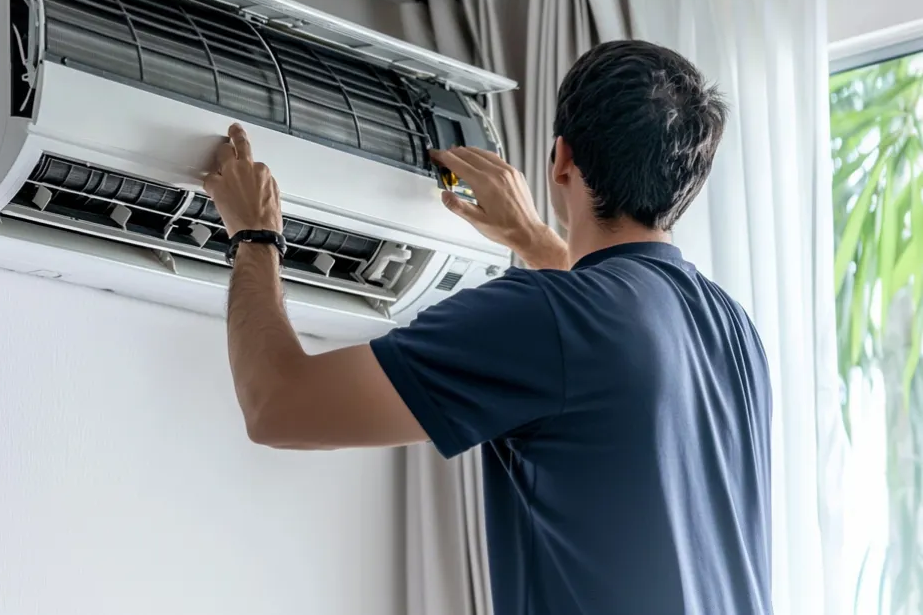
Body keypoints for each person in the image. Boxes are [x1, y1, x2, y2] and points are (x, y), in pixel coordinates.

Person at [202, 40, 771, 615]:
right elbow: (603, 337)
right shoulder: (731, 327)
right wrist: (532, 238)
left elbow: (277, 405)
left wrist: (255, 235)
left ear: (562, 159)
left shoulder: (547, 318)